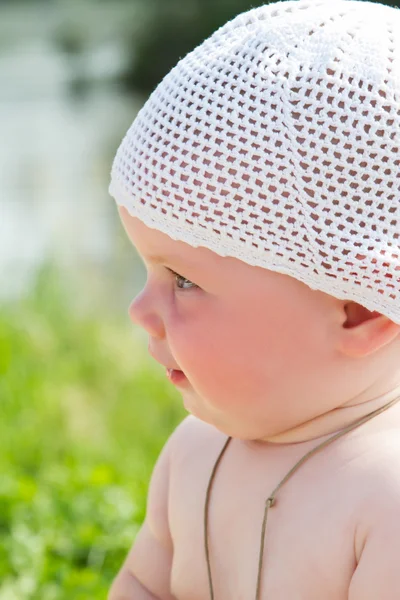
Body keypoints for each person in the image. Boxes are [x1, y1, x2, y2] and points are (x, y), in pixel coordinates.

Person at [107, 0, 400, 598]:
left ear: (358, 309)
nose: (140, 310)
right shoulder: (194, 450)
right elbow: (143, 581)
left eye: (182, 280)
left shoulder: (384, 496)